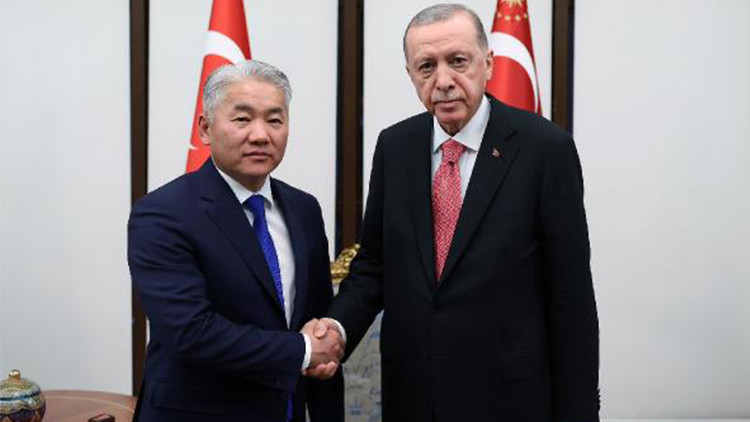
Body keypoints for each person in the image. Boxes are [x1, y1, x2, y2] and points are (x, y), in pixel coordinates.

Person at [314, 4, 600, 421]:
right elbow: (374, 265)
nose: (444, 81)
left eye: (458, 61)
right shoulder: (395, 147)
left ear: (488, 64)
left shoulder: (544, 149)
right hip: (413, 398)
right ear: (411, 74)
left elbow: (570, 297)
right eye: (426, 66)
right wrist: (335, 330)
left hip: (510, 400)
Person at [128, 60, 344, 422]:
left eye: (274, 120)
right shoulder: (162, 214)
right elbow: (191, 332)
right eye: (242, 119)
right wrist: (304, 350)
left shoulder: (304, 209)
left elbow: (317, 316)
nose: (261, 135)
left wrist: (321, 353)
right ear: (205, 128)